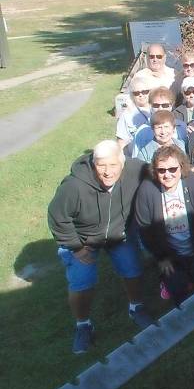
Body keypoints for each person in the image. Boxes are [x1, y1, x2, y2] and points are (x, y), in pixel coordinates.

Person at [48, 140, 153, 354]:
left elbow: (162, 172)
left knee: (132, 269)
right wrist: (75, 247)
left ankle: (136, 307)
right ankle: (83, 325)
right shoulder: (74, 186)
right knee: (81, 282)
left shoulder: (136, 168)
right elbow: (57, 217)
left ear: (122, 163)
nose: (107, 172)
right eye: (101, 165)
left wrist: (190, 173)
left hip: (119, 233)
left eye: (113, 165)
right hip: (83, 238)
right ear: (93, 163)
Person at [134, 145, 194, 306]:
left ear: (181, 167)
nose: (167, 174)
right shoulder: (146, 190)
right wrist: (162, 258)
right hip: (171, 255)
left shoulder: (193, 184)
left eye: (173, 169)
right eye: (161, 170)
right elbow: (145, 229)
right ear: (155, 170)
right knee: (177, 288)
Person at [130, 87, 188, 160]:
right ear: (150, 106)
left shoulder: (182, 127)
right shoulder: (142, 131)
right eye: (156, 105)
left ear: (172, 105)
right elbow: (136, 159)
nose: (160, 109)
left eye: (165, 105)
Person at [116, 77, 153, 149]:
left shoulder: (158, 108)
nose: (141, 95)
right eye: (136, 93)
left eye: (144, 91)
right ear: (132, 95)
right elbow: (121, 142)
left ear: (150, 92)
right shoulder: (126, 115)